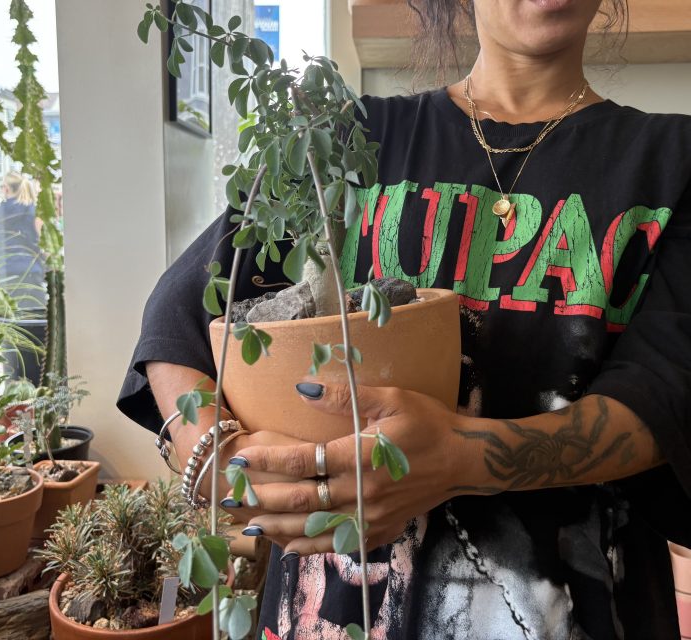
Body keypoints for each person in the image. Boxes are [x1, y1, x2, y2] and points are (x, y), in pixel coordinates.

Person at [118, 1, 691, 637]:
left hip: (576, 611)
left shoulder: (673, 161)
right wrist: (216, 457)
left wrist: (462, 459)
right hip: (334, 609)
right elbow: (182, 314)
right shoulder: (349, 138)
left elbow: (667, 394)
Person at [0, 171, 46, 310]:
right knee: (34, 320)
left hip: (4, 274)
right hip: (31, 274)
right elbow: (45, 245)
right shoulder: (36, 213)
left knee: (10, 322)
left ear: (6, 188)